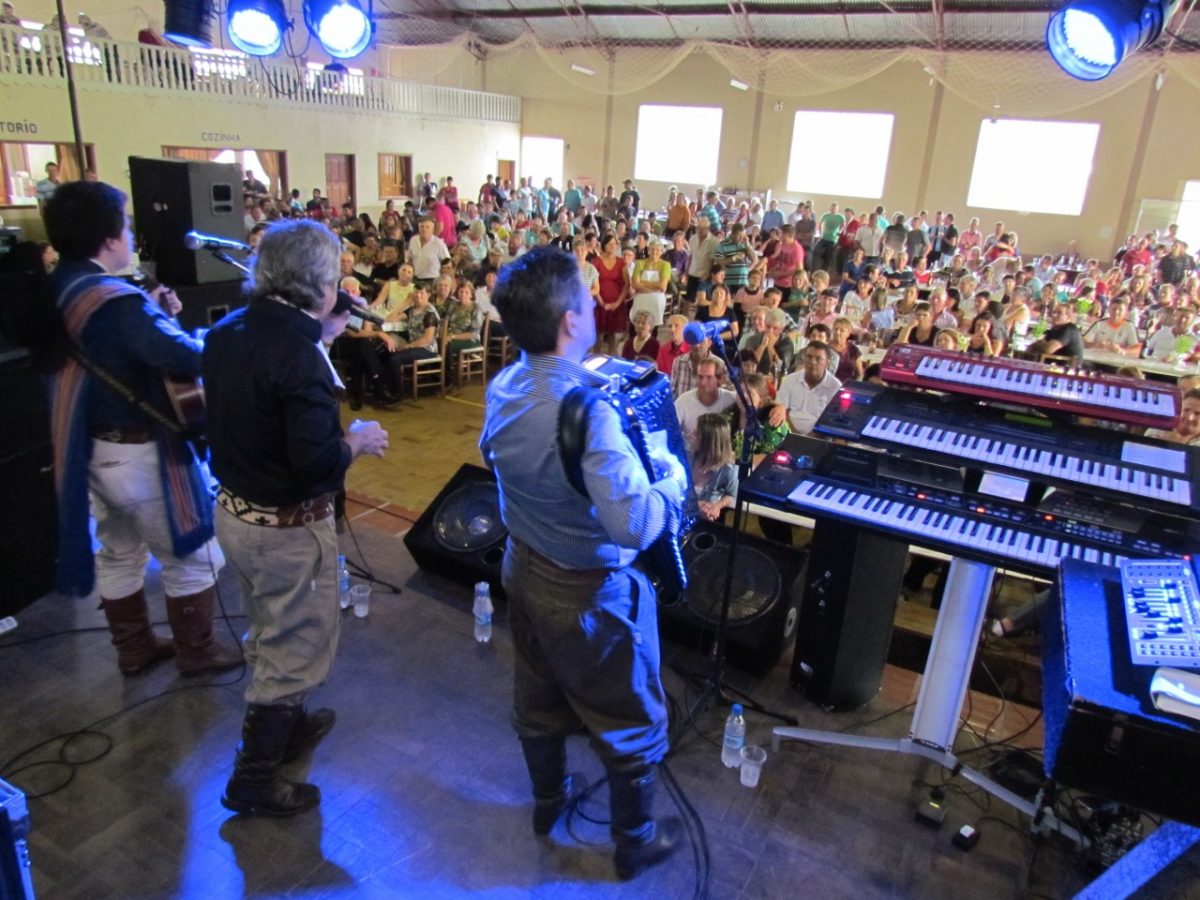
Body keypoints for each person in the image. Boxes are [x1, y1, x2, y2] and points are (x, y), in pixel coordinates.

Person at [479, 246, 686, 879]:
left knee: (537, 695)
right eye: (588, 299)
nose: (596, 306)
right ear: (572, 321)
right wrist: (672, 479)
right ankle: (635, 841)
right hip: (592, 591)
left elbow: (498, 462)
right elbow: (631, 522)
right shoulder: (589, 410)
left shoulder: (504, 383)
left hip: (525, 567)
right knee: (631, 717)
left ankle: (548, 805)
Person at [204, 219, 388, 817]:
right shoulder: (299, 357)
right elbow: (317, 468)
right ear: (320, 283)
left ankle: (291, 726)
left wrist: (323, 334)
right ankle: (254, 777)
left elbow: (266, 396)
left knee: (269, 628)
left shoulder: (228, 331)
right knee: (293, 646)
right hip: (282, 532)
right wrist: (356, 439)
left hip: (236, 515)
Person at [44, 180, 241, 677]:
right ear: (110, 236)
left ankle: (134, 648)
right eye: (127, 224)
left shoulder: (59, 286)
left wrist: (155, 312)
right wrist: (226, 335)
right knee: (192, 553)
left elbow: (117, 348)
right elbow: (179, 355)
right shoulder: (112, 299)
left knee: (120, 550)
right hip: (138, 454)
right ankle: (197, 651)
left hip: (87, 446)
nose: (131, 234)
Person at [776, 341, 841, 435]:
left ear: (827, 363)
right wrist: (794, 435)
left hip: (820, 438)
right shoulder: (789, 381)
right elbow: (781, 410)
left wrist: (812, 437)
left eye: (818, 359)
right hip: (788, 434)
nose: (812, 362)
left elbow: (832, 420)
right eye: (809, 357)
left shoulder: (835, 387)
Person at [690, 413, 737, 522]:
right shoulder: (687, 458)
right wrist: (695, 505)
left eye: (696, 434)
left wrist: (717, 506)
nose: (692, 435)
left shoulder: (729, 470)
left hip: (706, 523)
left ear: (709, 442)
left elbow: (731, 495)